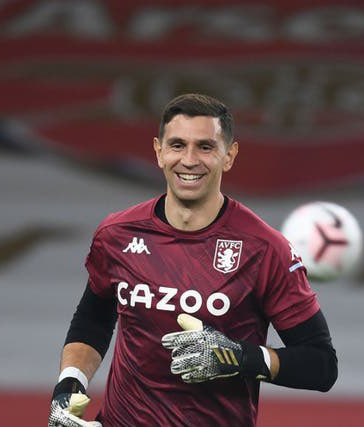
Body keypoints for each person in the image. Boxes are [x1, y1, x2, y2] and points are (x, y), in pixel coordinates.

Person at [48, 93, 338, 427]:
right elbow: (94, 319)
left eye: (205, 147)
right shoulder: (118, 234)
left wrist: (239, 357)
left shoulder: (265, 249)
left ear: (229, 155)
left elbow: (321, 365)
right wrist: (69, 384)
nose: (189, 160)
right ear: (158, 151)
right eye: (177, 145)